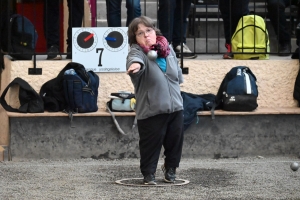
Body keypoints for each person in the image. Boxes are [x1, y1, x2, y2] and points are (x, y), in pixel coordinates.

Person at [126, 16, 185, 185]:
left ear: (155, 31)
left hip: (175, 107)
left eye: (149, 30)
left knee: (175, 142)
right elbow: (134, 61)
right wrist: (135, 66)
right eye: (140, 33)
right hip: (151, 109)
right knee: (150, 145)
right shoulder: (137, 52)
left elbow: (177, 77)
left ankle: (171, 169)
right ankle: (148, 174)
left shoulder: (168, 49)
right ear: (135, 38)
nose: (146, 35)